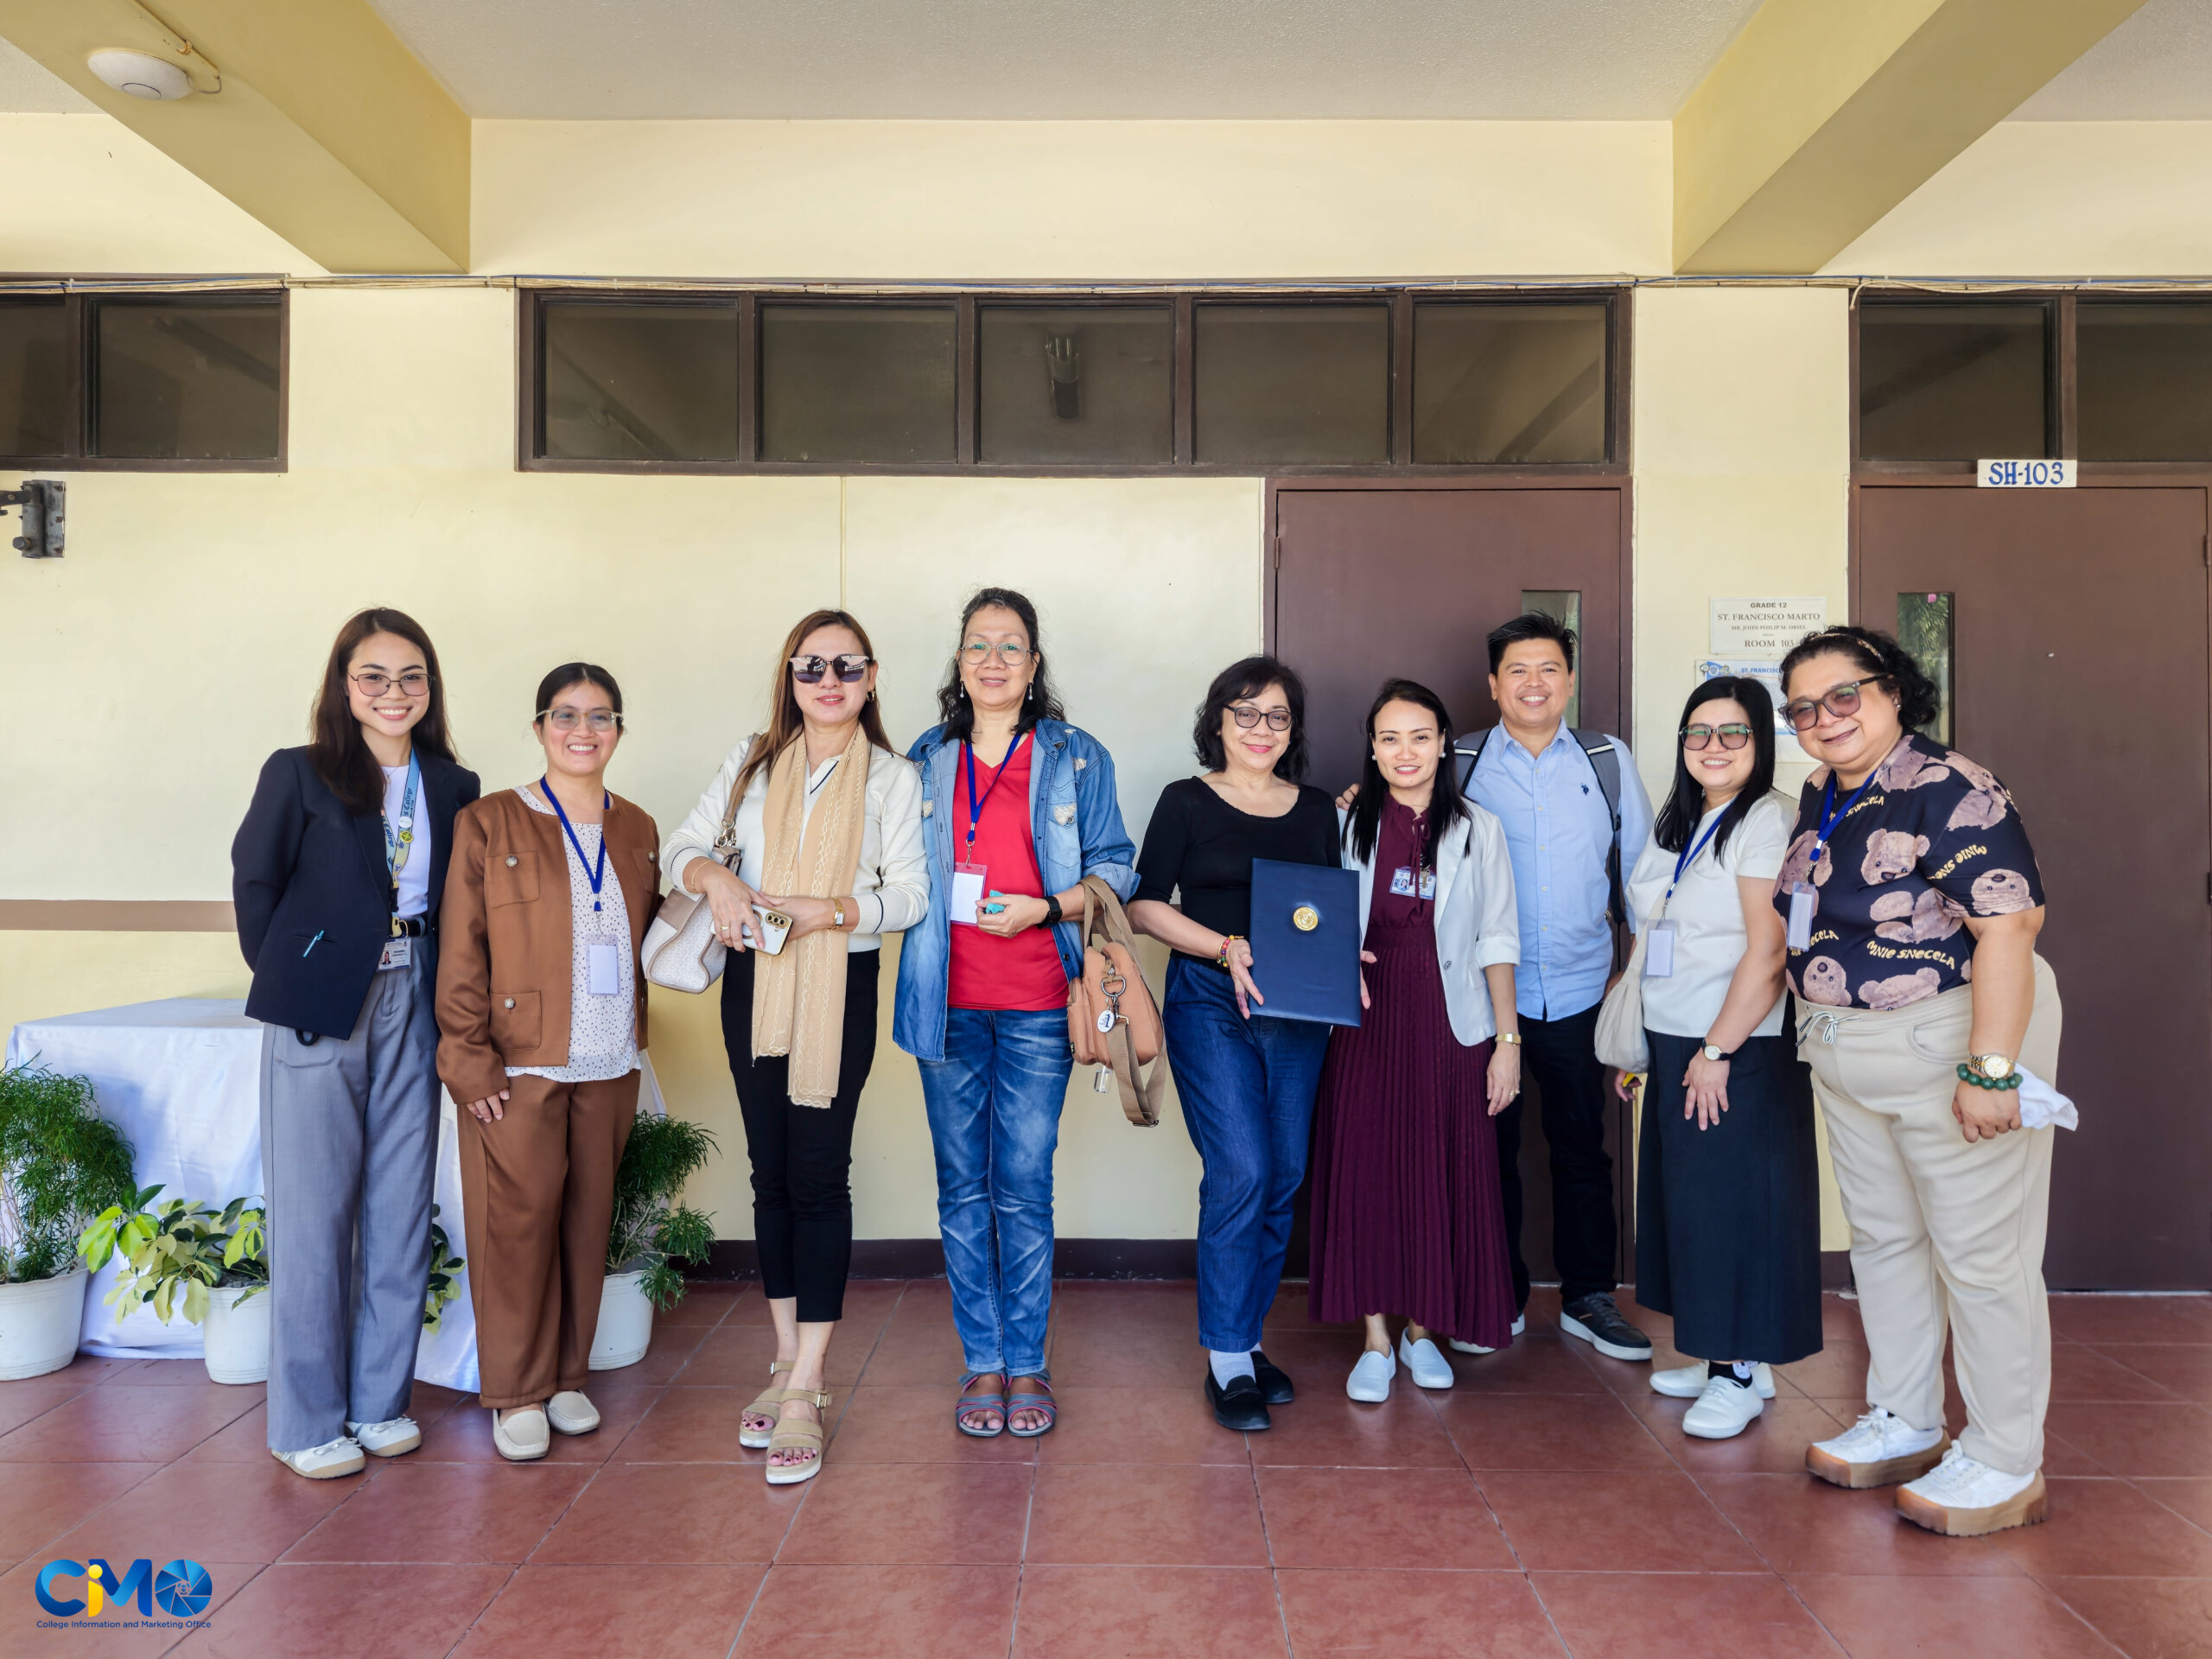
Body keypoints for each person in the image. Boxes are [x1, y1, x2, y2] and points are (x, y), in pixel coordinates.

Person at [1774, 626, 2060, 1537]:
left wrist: (1991, 1068)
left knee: (1981, 1258)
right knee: (1885, 1242)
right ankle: (1905, 1417)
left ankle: (2005, 1458)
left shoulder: (1949, 786)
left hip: (1948, 1043)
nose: (1825, 719)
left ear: (1893, 689)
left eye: (1844, 695)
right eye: (1803, 709)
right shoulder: (1824, 791)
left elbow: (2009, 928)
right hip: (1848, 1051)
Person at [663, 610, 925, 1484]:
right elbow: (682, 849)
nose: (828, 681)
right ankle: (782, 1359)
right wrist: (719, 880)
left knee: (817, 1175)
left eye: (846, 666)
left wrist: (833, 912)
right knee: (768, 1173)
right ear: (790, 676)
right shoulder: (751, 760)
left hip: (839, 985)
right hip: (754, 982)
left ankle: (809, 1383)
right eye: (811, 666)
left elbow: (911, 895)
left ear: (871, 677)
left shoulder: (891, 776)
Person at [232, 608, 480, 1480]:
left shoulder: (452, 783)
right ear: (344, 684)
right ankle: (304, 1423)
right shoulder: (299, 772)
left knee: (399, 1207)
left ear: (430, 687)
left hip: (418, 990)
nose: (393, 692)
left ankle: (379, 1402)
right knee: (312, 1216)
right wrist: (298, 972)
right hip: (323, 1003)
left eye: (411, 676)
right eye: (373, 676)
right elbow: (256, 881)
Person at [893, 588, 1137, 1440]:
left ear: (1033, 666)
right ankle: (983, 1362)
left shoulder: (1074, 756)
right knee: (961, 1188)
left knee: (1022, 1187)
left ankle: (1027, 1360)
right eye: (977, 645)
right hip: (944, 1005)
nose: (992, 659)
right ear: (959, 663)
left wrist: (1047, 907)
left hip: (1039, 1002)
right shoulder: (925, 757)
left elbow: (1118, 865)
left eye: (1010, 646)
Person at [436, 664, 659, 1464]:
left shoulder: (637, 827)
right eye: (565, 715)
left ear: (619, 731)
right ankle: (516, 1391)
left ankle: (566, 1378)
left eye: (600, 716)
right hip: (519, 1064)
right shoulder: (490, 821)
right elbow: (461, 949)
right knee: (516, 1227)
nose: (582, 731)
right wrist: (467, 1060)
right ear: (539, 728)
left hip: (610, 1059)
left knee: (585, 1223)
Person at [1131, 656, 1341, 1432]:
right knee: (1241, 1170)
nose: (1261, 729)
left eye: (1277, 716)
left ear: (1293, 730)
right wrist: (1224, 948)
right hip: (1210, 997)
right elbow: (1145, 906)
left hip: (1297, 1009)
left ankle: (1246, 1341)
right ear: (1218, 722)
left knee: (1282, 1175)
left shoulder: (1316, 809)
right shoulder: (1185, 800)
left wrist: (1341, 956)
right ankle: (1226, 1358)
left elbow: (1325, 909)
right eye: (1245, 713)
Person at [1616, 676, 1821, 1440]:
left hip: (1737, 1045)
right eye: (1698, 732)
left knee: (1736, 1208)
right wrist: (1646, 1045)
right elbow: (1658, 933)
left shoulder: (1767, 819)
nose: (1714, 746)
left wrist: (1717, 1047)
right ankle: (1728, 1360)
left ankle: (1736, 1372)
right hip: (1678, 1037)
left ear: (1760, 742)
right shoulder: (1685, 818)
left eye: (1734, 732)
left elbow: (1769, 952)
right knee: (1694, 1207)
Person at [1449, 612, 1656, 1363]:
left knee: (1582, 1147)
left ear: (1568, 681)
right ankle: (1495, 1297)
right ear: (1493, 684)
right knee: (1486, 1149)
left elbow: (1643, 880)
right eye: (1517, 670)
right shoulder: (1458, 761)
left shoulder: (1606, 760)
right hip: (1480, 995)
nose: (1533, 683)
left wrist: (1640, 980)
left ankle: (1588, 1298)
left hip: (1579, 989)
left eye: (1548, 669)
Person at [1309, 680, 1522, 1402]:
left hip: (1451, 1015)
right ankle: (1375, 1338)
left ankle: (1423, 1330)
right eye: (1390, 738)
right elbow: (1310, 917)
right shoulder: (1343, 822)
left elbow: (1498, 937)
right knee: (1367, 1168)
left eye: (1421, 737)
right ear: (1372, 748)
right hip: (1365, 1015)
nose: (1406, 752)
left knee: (1441, 1169)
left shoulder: (1479, 828)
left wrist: (1507, 1041)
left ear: (1443, 744)